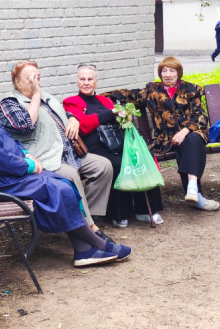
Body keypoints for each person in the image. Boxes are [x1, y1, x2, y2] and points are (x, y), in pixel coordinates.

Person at [0, 69, 130, 267]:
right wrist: (27, 165)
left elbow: (8, 141)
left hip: (2, 174)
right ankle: (94, 245)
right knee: (59, 187)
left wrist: (26, 153)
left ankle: (85, 250)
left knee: (62, 183)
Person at [0, 60, 115, 242]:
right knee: (72, 176)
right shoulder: (9, 104)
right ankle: (91, 230)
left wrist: (73, 118)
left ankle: (82, 219)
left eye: (38, 77)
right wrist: (35, 96)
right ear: (17, 82)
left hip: (68, 153)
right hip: (44, 159)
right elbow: (25, 126)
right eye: (31, 78)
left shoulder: (47, 97)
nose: (36, 81)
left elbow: (63, 114)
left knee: (103, 167)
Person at [108, 57, 220, 211]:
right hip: (166, 140)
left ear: (178, 73)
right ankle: (197, 196)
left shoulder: (191, 89)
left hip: (191, 133)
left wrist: (185, 131)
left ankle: (193, 189)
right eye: (164, 71)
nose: (167, 74)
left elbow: (200, 116)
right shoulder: (152, 90)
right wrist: (99, 97)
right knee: (188, 143)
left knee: (192, 140)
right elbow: (128, 95)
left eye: (171, 70)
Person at [63, 64, 165, 228]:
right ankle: (119, 214)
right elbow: (84, 125)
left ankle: (145, 210)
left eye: (90, 79)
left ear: (96, 81)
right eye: (82, 79)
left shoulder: (105, 100)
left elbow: (118, 121)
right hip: (93, 148)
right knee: (118, 164)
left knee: (144, 158)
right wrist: (110, 114)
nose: (86, 83)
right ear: (77, 82)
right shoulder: (71, 102)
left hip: (116, 143)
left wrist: (125, 118)